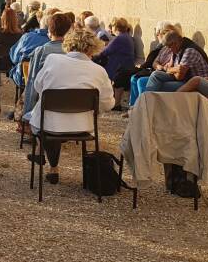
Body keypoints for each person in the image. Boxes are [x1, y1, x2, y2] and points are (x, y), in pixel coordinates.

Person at [27, 28, 114, 184]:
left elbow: (38, 86)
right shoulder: (99, 71)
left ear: (68, 44)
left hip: (49, 124)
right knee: (55, 120)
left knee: (48, 120)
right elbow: (108, 103)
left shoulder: (53, 59)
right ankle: (52, 166)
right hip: (83, 127)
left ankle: (53, 166)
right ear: (93, 48)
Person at [23, 13, 74, 117]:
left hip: (46, 106)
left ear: (49, 30)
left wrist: (28, 113)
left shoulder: (41, 51)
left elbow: (32, 83)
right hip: (72, 106)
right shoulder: (74, 53)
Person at [141, 29, 208, 97]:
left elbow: (179, 76)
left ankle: (147, 104)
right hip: (186, 80)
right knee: (155, 74)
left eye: (170, 46)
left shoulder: (189, 51)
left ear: (176, 43)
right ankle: (145, 102)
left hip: (197, 85)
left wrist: (169, 69)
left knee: (161, 86)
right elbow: (172, 70)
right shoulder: (177, 50)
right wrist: (172, 69)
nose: (169, 49)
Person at [93, 17, 137, 109]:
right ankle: (114, 102)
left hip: (121, 67)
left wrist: (93, 56)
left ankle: (115, 104)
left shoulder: (120, 38)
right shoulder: (127, 37)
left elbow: (106, 51)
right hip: (126, 65)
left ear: (115, 27)